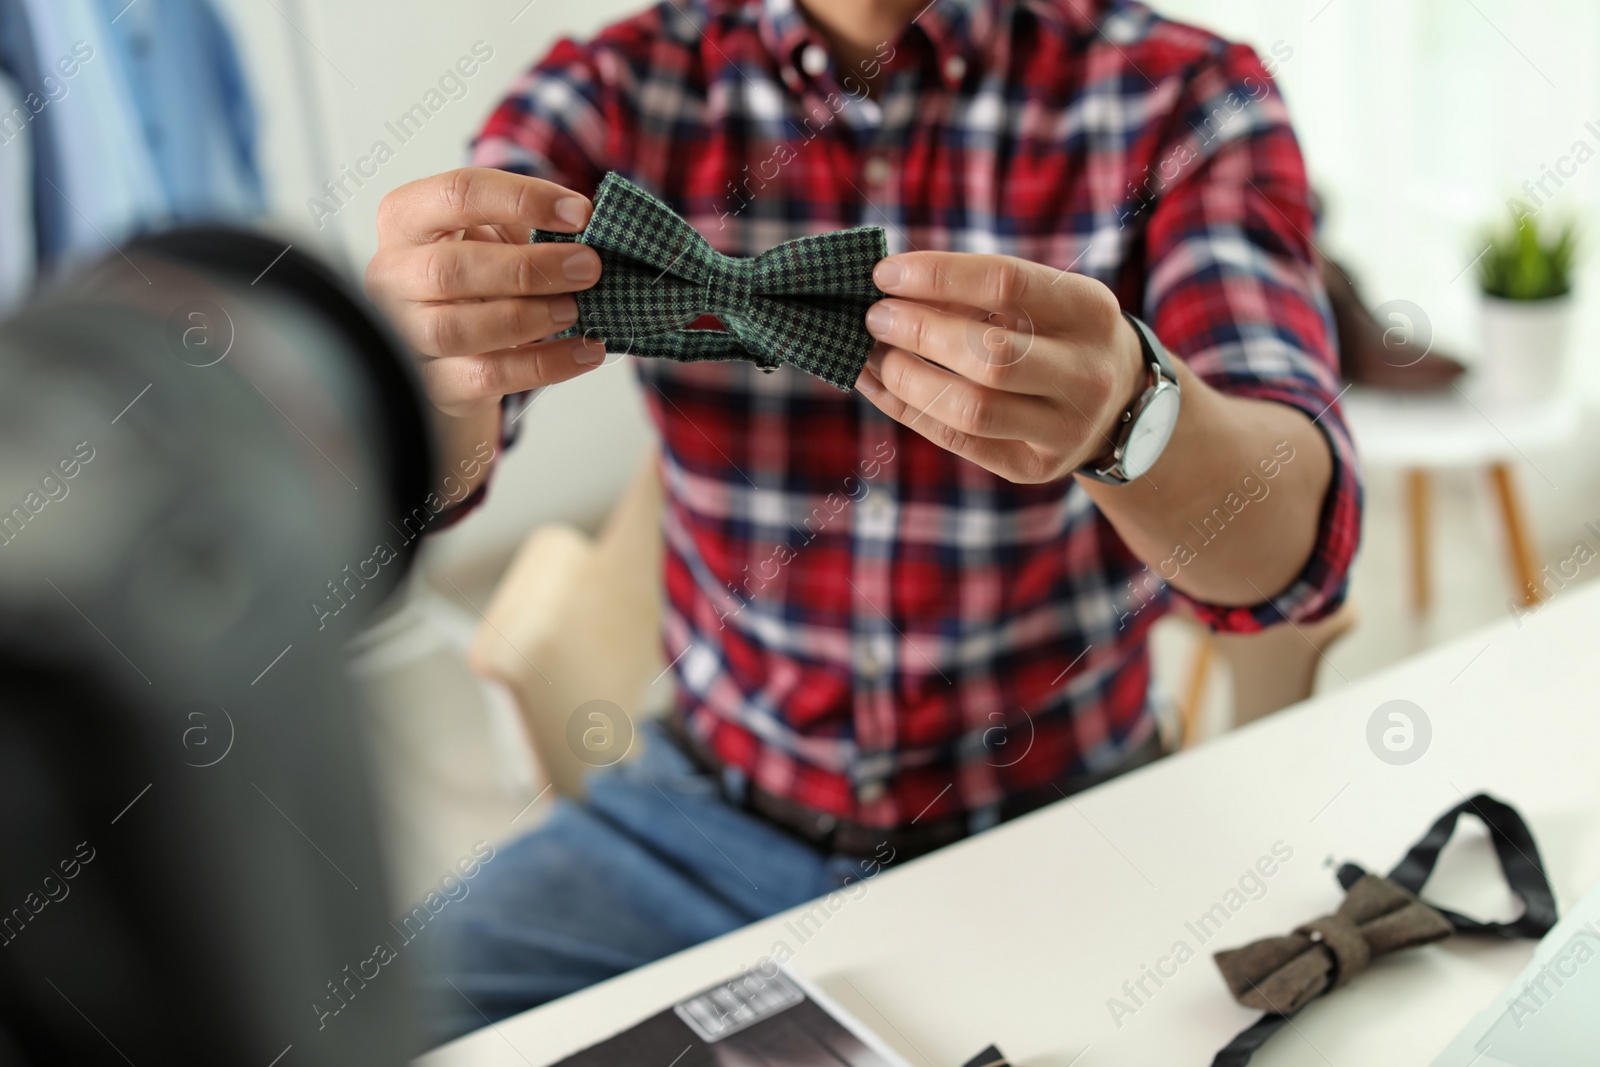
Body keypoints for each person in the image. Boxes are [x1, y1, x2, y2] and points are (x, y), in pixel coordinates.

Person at [363, 0, 1361, 1041]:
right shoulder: (608, 89)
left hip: (1066, 818)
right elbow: (422, 489)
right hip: (694, 820)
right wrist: (426, 373)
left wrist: (1132, 411)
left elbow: (1293, 553)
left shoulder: (1186, 94)